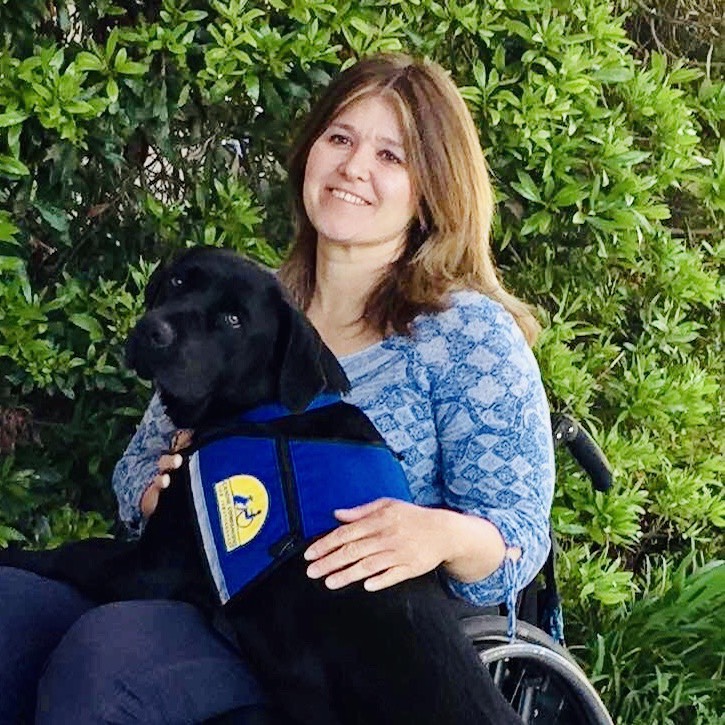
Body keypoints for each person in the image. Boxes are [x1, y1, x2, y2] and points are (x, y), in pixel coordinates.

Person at [0, 52, 555, 723]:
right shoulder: (248, 304)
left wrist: (435, 533)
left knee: (111, 660)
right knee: (11, 607)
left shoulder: (464, 333)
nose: (354, 167)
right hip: (204, 590)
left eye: (391, 156)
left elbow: (517, 537)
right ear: (309, 152)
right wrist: (156, 489)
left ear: (432, 189)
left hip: (345, 654)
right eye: (341, 139)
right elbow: (141, 468)